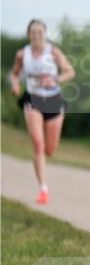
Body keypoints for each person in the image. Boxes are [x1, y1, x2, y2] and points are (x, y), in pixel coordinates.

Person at [9, 19, 75, 204]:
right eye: (33, 33)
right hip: (33, 99)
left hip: (54, 100)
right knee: (38, 144)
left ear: (45, 34)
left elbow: (70, 71)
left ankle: (44, 161)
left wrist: (56, 79)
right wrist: (15, 85)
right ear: (28, 35)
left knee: (50, 149)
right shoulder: (22, 54)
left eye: (40, 32)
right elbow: (15, 73)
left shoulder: (53, 51)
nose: (37, 36)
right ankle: (43, 189)